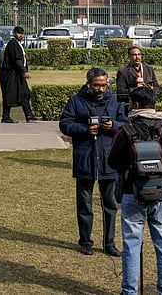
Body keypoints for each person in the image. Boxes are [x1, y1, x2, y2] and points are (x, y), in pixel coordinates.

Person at [108, 86, 162, 295]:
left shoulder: (126, 131)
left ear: (136, 105)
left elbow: (112, 161)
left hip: (133, 193)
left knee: (131, 246)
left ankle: (129, 291)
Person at [58, 67, 128, 256]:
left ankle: (109, 243)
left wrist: (113, 126)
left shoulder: (115, 101)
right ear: (88, 84)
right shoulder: (76, 100)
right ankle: (85, 241)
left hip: (109, 159)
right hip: (85, 158)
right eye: (97, 85)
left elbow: (126, 123)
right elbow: (64, 123)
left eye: (104, 85)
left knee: (110, 204)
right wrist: (84, 129)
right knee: (84, 203)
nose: (101, 89)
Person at [0, 26, 36, 123]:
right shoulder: (13, 44)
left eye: (22, 33)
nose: (21, 35)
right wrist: (24, 71)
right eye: (19, 33)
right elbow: (17, 60)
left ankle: (29, 115)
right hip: (10, 74)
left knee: (25, 93)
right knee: (9, 95)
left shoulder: (18, 44)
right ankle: (5, 117)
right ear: (15, 33)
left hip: (17, 74)